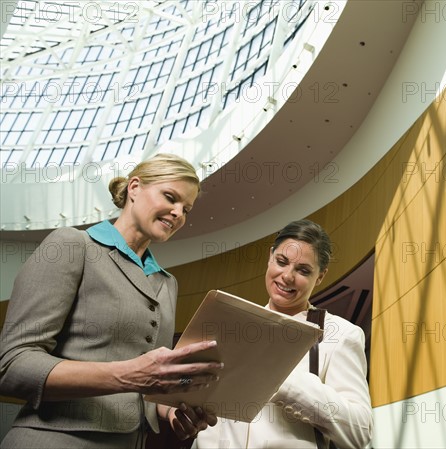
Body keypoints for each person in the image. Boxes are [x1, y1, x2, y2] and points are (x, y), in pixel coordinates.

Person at [0, 153, 223, 449]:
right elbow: (13, 364)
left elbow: (150, 384)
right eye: (170, 197)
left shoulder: (168, 283)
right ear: (134, 188)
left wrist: (170, 411)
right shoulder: (72, 246)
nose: (178, 213)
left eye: (187, 209)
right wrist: (129, 375)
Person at [195, 219, 373, 448]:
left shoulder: (340, 335)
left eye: (303, 270)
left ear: (320, 277)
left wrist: (282, 379)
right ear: (270, 257)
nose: (287, 276)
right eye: (281, 261)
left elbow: (360, 432)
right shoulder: (232, 327)